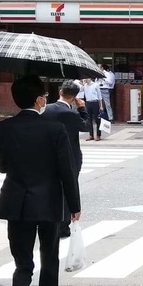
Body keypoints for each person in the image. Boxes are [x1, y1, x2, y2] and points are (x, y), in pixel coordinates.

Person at [0, 75, 81, 286]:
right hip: (49, 203)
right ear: (39, 99)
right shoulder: (54, 129)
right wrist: (74, 207)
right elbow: (67, 171)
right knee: (49, 258)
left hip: (16, 203)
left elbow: (2, 167)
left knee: (22, 263)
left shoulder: (4, 128)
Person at [43, 81, 85, 237]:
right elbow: (85, 126)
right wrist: (82, 108)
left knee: (51, 189)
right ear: (74, 97)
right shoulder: (71, 114)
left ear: (60, 91)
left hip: (49, 155)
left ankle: (50, 222)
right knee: (69, 189)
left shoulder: (45, 110)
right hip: (71, 156)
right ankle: (63, 226)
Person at [81, 77, 103, 141]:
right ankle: (91, 135)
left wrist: (101, 106)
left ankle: (98, 135)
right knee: (88, 119)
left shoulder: (95, 85)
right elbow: (80, 91)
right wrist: (83, 83)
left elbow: (99, 96)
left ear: (90, 78)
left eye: (87, 78)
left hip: (95, 102)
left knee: (97, 119)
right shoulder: (84, 86)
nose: (86, 79)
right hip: (88, 103)